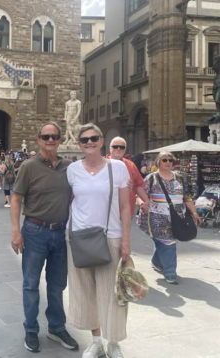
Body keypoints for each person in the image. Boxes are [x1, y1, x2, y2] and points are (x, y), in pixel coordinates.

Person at [10, 122, 79, 354]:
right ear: (38, 139)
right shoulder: (29, 166)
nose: (51, 140)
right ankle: (31, 329)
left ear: (60, 140)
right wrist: (15, 231)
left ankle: (56, 327)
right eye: (46, 136)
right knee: (31, 284)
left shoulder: (69, 167)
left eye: (55, 136)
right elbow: (16, 199)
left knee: (58, 284)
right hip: (34, 231)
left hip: (60, 232)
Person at [66, 123, 131, 358]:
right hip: (79, 238)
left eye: (94, 138)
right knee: (86, 291)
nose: (89, 142)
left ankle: (113, 341)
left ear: (102, 141)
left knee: (113, 293)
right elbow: (69, 201)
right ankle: (95, 341)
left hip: (111, 236)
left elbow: (125, 206)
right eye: (84, 140)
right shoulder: (72, 170)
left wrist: (126, 239)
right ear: (79, 144)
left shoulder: (118, 168)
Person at [138, 151, 201, 285]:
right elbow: (140, 195)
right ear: (158, 162)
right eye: (164, 160)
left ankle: (156, 261)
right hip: (157, 217)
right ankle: (170, 272)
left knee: (164, 242)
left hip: (177, 217)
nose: (167, 162)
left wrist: (195, 213)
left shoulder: (179, 178)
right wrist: (142, 204)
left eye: (170, 160)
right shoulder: (151, 178)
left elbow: (187, 197)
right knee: (168, 243)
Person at [108, 137, 150, 218]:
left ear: (125, 149)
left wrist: (146, 200)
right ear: (110, 148)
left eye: (122, 147)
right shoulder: (102, 164)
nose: (119, 149)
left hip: (127, 211)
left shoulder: (130, 165)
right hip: (107, 211)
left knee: (125, 230)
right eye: (115, 146)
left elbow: (137, 185)